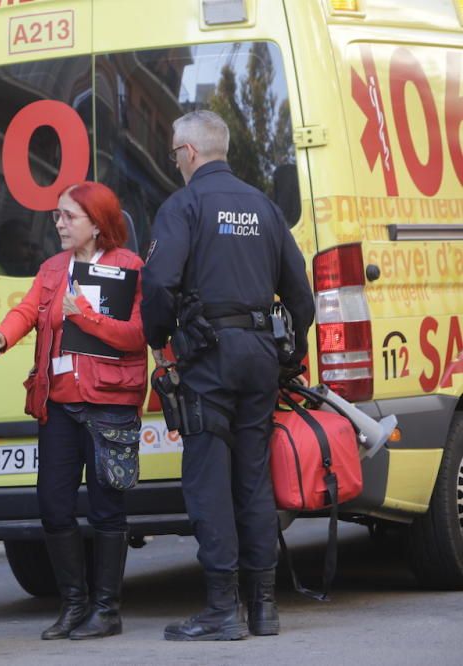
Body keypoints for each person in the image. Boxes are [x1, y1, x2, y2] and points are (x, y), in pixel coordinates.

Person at [141, 110, 315, 641]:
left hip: (208, 359)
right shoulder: (263, 206)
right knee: (254, 480)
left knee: (208, 483)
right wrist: (291, 349)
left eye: (174, 153)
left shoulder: (184, 205)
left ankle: (221, 610)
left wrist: (159, 337)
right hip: (260, 354)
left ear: (189, 153)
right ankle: (264, 608)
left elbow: (158, 284)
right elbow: (301, 296)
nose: (174, 161)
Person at [0, 181, 147, 641]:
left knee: (106, 509)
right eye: (58, 215)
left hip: (110, 403)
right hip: (59, 403)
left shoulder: (129, 268)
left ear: (97, 224)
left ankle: (107, 610)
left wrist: (85, 316)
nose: (58, 223)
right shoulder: (52, 269)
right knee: (54, 506)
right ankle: (73, 605)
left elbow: (137, 335)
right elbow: (26, 312)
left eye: (68, 216)